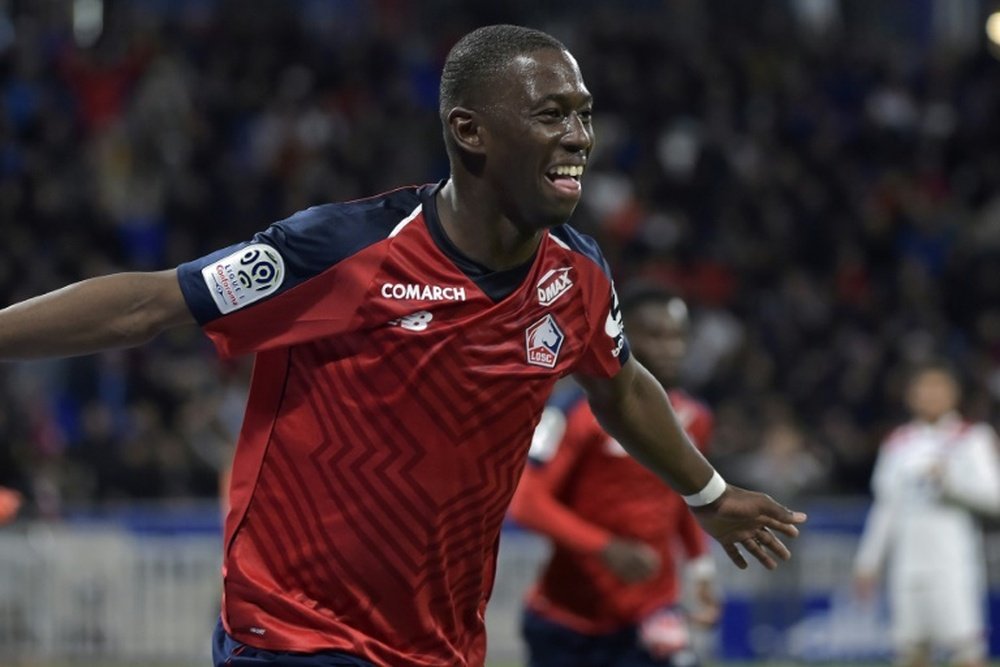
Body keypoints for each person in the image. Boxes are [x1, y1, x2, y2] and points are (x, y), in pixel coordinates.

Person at [0, 25, 805, 667]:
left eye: (584, 113)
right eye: (552, 114)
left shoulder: (577, 272)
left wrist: (708, 494)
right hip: (294, 634)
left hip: (441, 645)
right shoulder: (343, 250)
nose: (579, 137)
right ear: (470, 130)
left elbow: (619, 383)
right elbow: (148, 303)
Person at [510, 285, 720, 667]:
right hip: (569, 619)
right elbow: (527, 503)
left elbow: (683, 499)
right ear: (622, 335)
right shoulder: (573, 411)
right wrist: (606, 548)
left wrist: (700, 568)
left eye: (678, 337)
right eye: (656, 335)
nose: (671, 348)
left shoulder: (696, 418)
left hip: (651, 612)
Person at [854, 361, 1000, 667]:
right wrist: (868, 560)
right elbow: (885, 507)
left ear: (954, 394)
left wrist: (951, 486)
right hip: (907, 562)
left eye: (939, 388)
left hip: (953, 559)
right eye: (924, 389)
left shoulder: (972, 438)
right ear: (911, 396)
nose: (931, 396)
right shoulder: (898, 442)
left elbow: (994, 498)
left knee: (966, 651)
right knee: (910, 651)